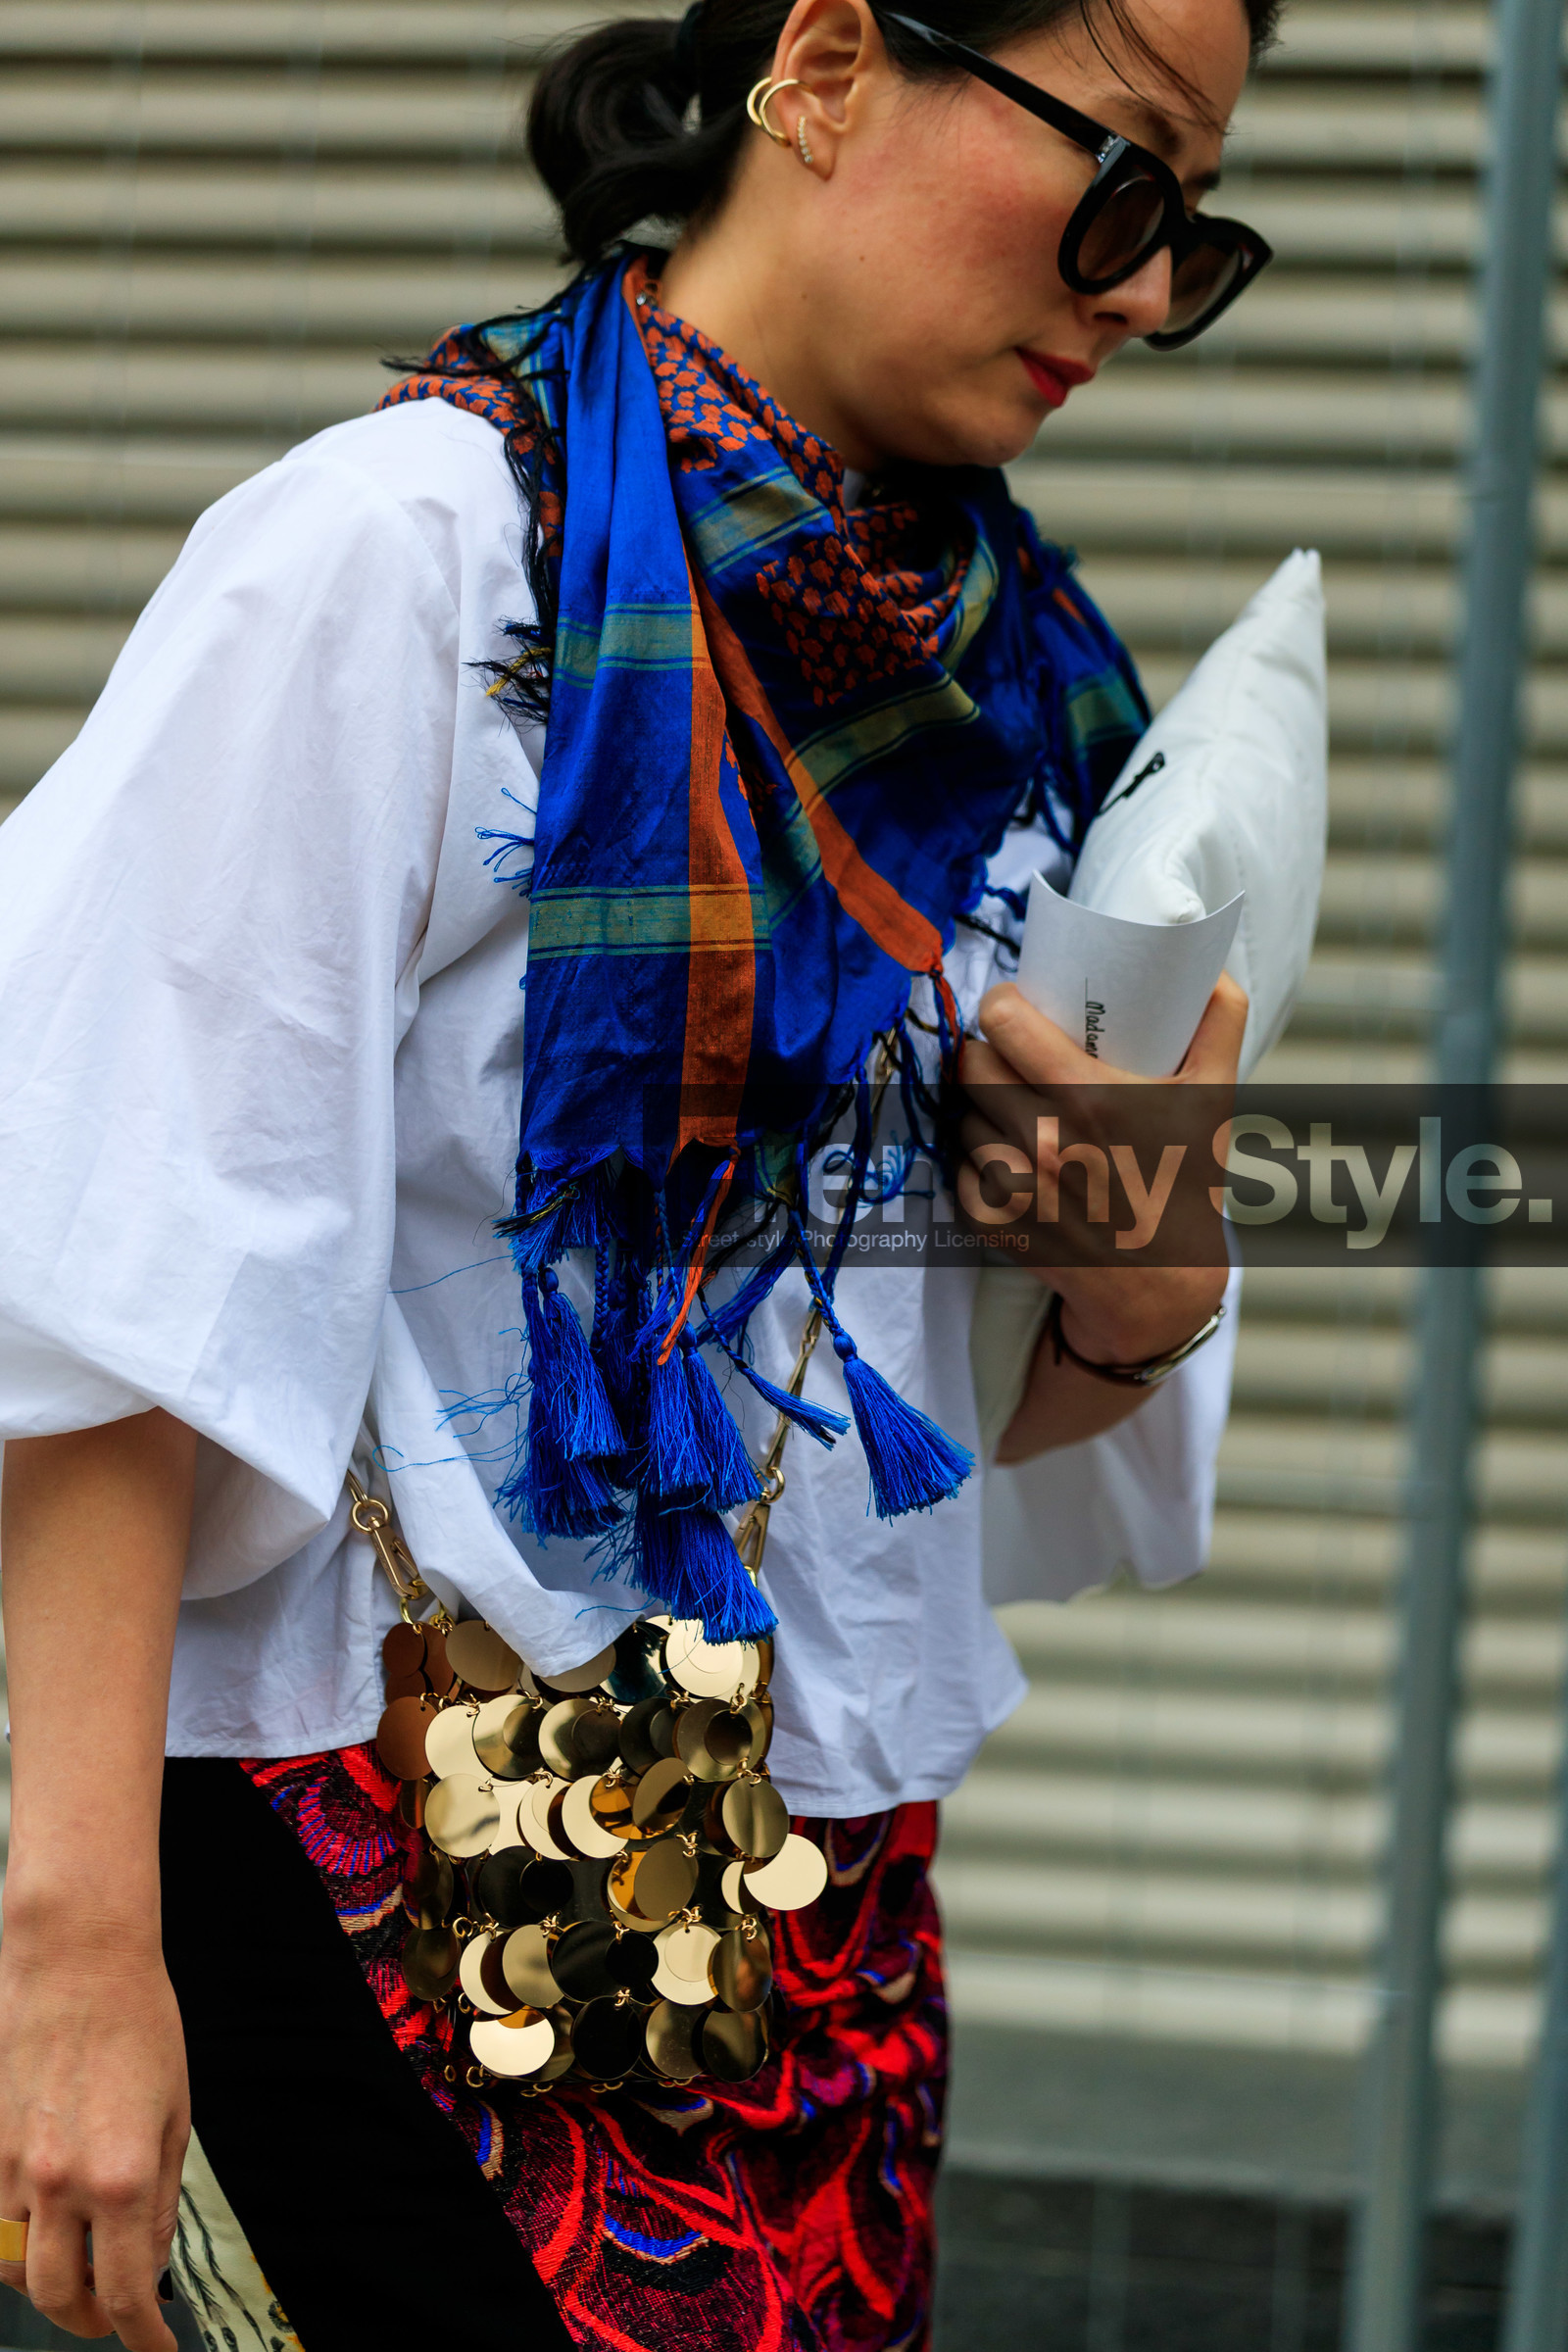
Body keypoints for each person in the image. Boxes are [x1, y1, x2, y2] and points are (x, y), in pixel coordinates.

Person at [0, 0, 1272, 2341]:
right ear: (819, 64)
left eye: (1192, 230)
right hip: (362, 1849)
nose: (1134, 288)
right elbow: (109, 1254)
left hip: (804, 1897)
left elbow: (966, 1415)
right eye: (1118, 179)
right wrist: (71, 1942)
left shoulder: (1017, 686)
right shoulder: (402, 561)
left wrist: (1141, 1283)